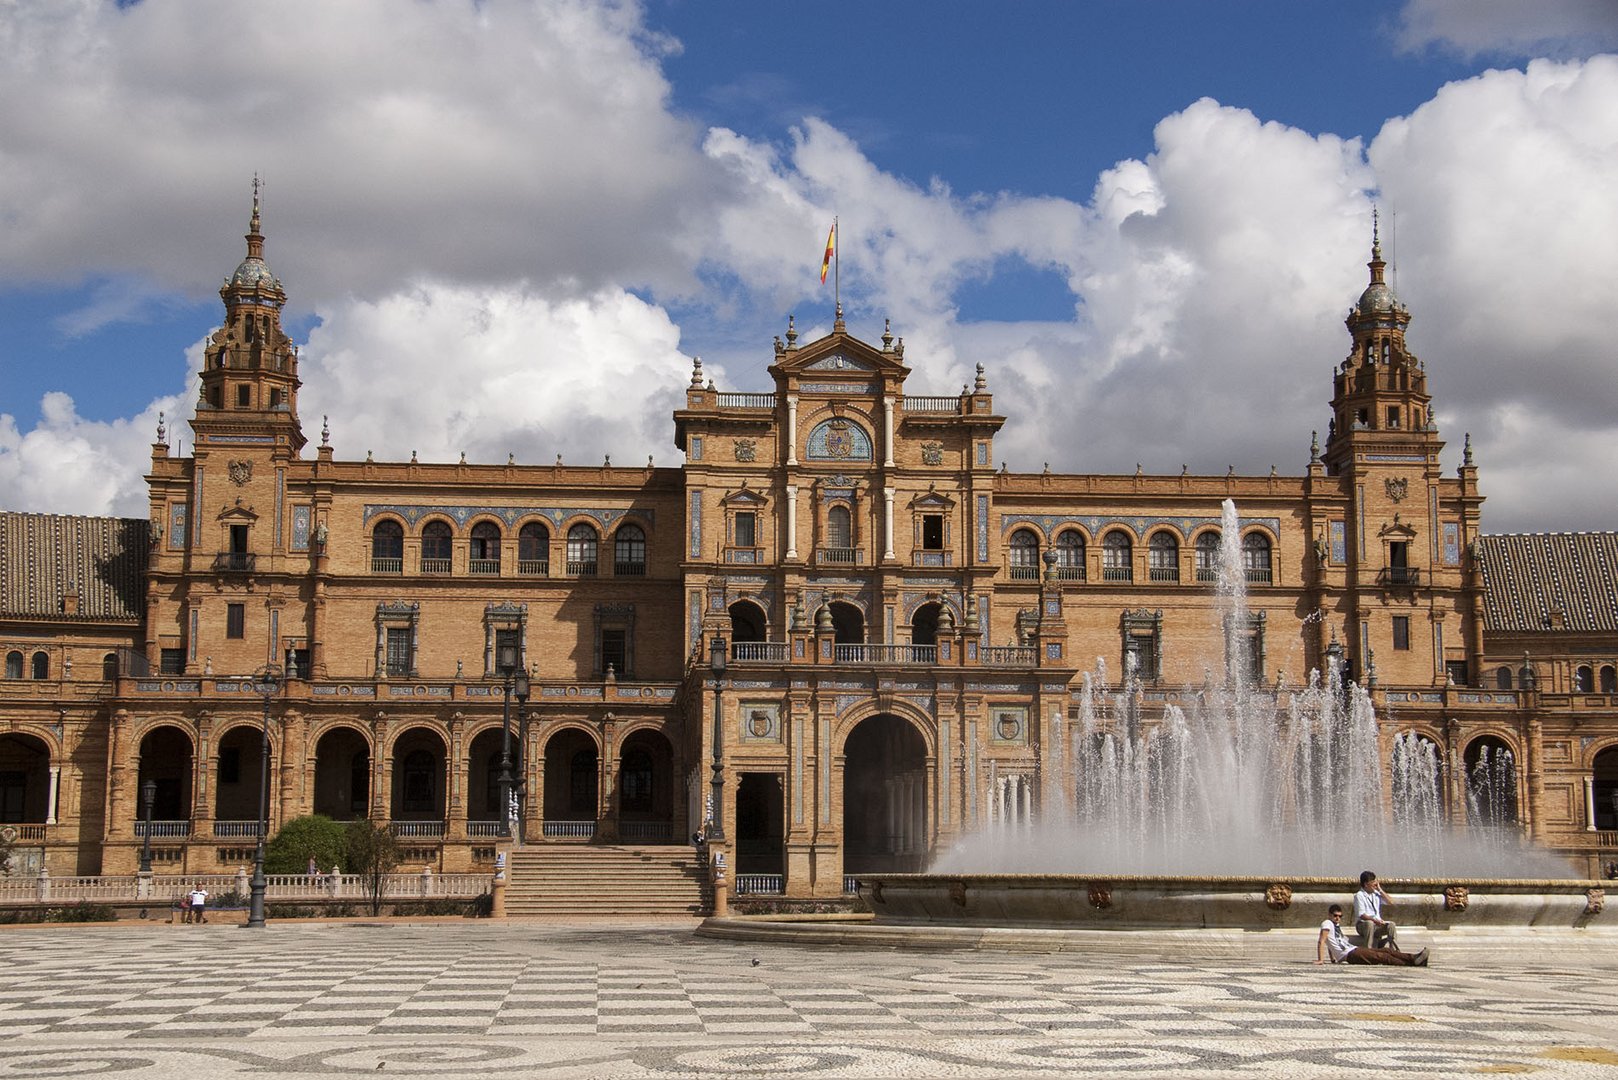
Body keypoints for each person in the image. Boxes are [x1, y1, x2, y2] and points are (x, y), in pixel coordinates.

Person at [1318, 904, 1428, 966]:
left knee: (1386, 951)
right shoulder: (1327, 923)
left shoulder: (1334, 926)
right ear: (1329, 915)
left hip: (1353, 950)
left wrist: (1333, 959)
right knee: (1381, 957)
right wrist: (1321, 960)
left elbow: (1330, 942)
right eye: (1335, 915)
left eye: (1340, 916)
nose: (1338, 918)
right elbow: (1322, 941)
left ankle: (1414, 957)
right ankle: (1412, 962)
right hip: (1350, 954)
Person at [1353, 870, 1399, 950]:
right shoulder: (1359, 896)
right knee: (1369, 923)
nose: (1375, 884)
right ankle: (1368, 950)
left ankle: (1393, 950)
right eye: (1373, 882)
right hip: (1363, 925)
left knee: (1391, 925)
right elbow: (1362, 915)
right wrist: (1374, 920)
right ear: (1366, 884)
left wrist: (1380, 890)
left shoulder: (1376, 894)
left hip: (1377, 925)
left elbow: (1391, 902)